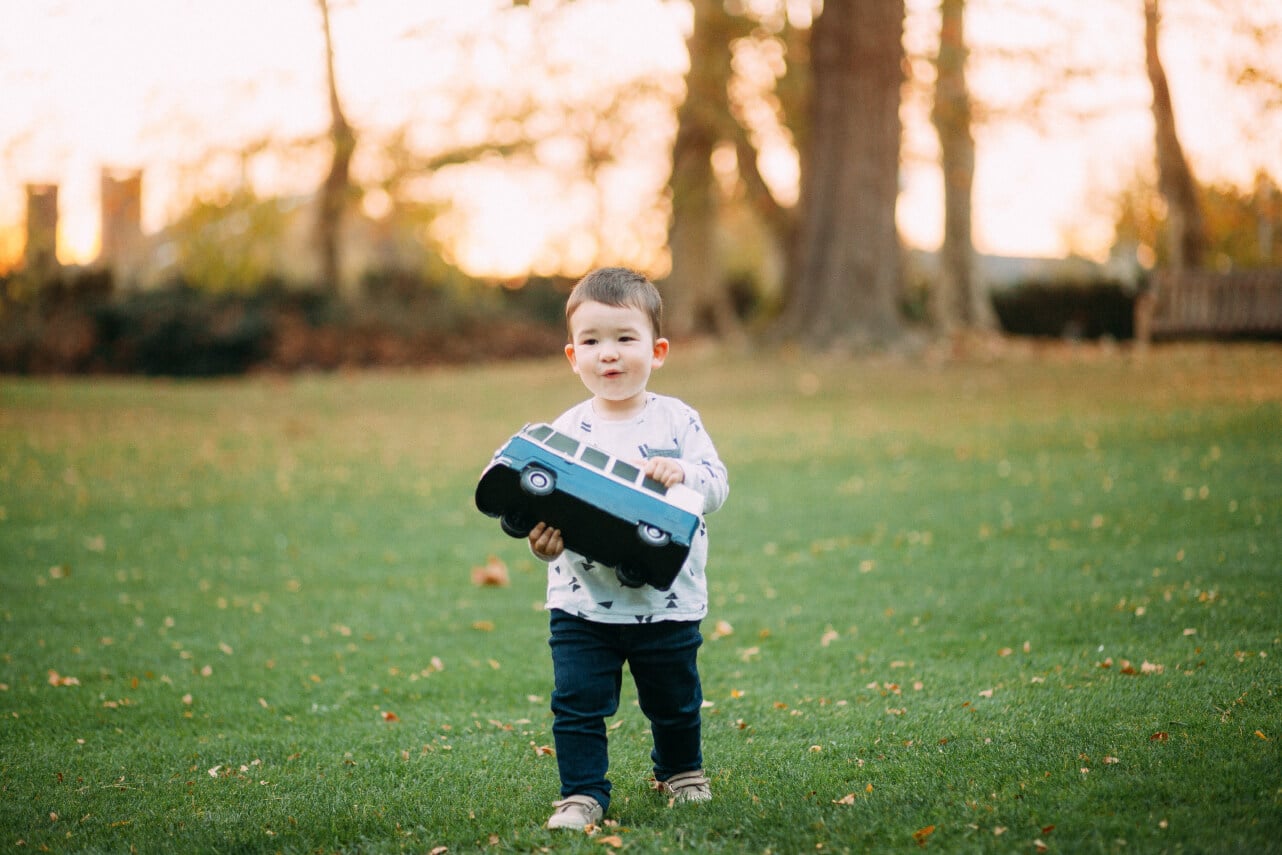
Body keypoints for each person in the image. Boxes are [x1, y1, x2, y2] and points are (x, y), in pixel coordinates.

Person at [524, 267, 729, 831]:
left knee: (674, 701)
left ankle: (681, 772)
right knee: (577, 702)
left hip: (667, 599)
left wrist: (683, 471)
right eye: (591, 341)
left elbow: (716, 484)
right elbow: (551, 516)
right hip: (581, 602)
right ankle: (583, 794)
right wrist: (545, 544)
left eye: (624, 339)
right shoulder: (563, 434)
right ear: (572, 356)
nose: (607, 355)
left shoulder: (677, 419)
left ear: (657, 350)